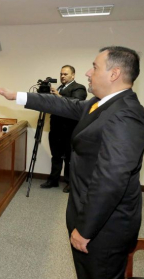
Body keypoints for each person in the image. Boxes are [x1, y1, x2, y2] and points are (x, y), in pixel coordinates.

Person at [0, 46, 144, 279]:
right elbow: (67, 105)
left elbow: (111, 181)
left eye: (94, 67)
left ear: (114, 74)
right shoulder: (104, 103)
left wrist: (85, 229)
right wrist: (18, 96)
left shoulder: (126, 114)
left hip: (105, 227)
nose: (87, 72)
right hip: (89, 213)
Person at [41, 65, 87, 193]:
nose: (62, 76)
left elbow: (76, 104)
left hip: (70, 130)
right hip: (56, 128)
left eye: (65, 74)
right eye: (61, 74)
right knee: (55, 156)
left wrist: (59, 96)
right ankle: (53, 180)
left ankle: (69, 182)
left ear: (73, 75)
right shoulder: (60, 87)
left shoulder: (79, 88)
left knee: (69, 158)